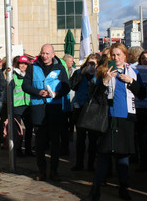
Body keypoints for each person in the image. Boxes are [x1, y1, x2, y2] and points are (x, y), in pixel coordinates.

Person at [83, 43, 145, 201]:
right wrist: (104, 81)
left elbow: (143, 94)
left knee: (123, 156)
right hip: (108, 117)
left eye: (118, 55)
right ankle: (95, 191)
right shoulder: (103, 71)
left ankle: (124, 188)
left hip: (126, 118)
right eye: (113, 55)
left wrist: (131, 81)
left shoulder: (133, 72)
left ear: (125, 56)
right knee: (103, 155)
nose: (116, 58)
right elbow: (95, 96)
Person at [22, 44, 70, 181]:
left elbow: (66, 87)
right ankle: (41, 171)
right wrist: (38, 92)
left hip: (54, 109)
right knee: (40, 143)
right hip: (38, 108)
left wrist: (56, 93)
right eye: (43, 53)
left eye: (47, 53)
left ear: (53, 54)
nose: (45, 56)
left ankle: (54, 171)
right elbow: (25, 85)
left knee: (55, 142)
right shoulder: (32, 67)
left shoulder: (60, 68)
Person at [70, 53, 100, 171]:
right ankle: (79, 163)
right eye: (89, 63)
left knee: (93, 139)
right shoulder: (79, 73)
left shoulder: (100, 74)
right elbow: (72, 86)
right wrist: (81, 74)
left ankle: (91, 164)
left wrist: (96, 74)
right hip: (80, 107)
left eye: (94, 64)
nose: (91, 66)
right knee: (80, 138)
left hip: (93, 109)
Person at [10, 55, 34, 156]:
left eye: (25, 64)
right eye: (21, 63)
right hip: (17, 107)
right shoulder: (13, 75)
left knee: (29, 129)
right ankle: (18, 150)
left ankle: (28, 149)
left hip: (28, 106)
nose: (23, 66)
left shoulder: (30, 76)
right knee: (18, 131)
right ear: (17, 64)